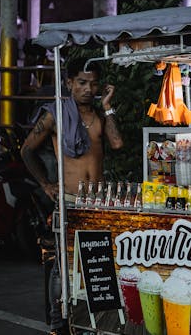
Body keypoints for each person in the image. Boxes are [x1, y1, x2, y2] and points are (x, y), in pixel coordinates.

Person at [21, 57, 123, 335]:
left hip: (97, 202)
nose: (88, 89)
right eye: (81, 83)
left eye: (93, 83)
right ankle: (58, 322)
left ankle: (92, 322)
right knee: (63, 266)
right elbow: (26, 150)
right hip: (69, 201)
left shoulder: (100, 116)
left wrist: (108, 106)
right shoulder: (55, 114)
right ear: (69, 83)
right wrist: (45, 184)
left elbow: (116, 143)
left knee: (97, 263)